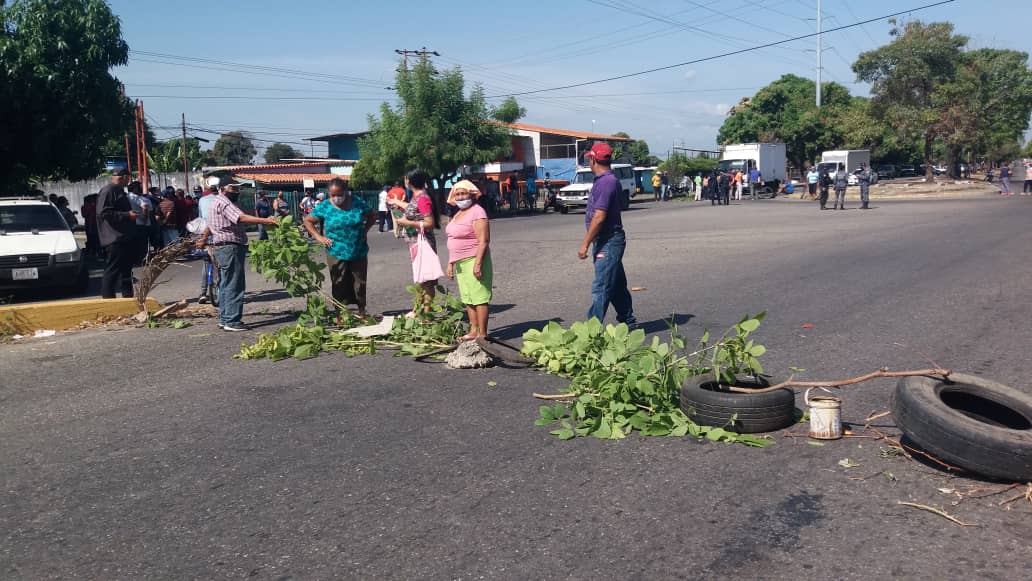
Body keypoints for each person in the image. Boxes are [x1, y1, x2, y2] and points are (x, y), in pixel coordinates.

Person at [195, 180, 278, 331]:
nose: (237, 191)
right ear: (223, 189)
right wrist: (266, 221)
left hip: (223, 247)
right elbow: (241, 218)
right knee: (234, 284)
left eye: (238, 189)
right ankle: (232, 321)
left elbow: (209, 225)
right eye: (233, 188)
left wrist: (204, 238)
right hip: (230, 247)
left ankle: (225, 318)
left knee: (225, 284)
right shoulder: (224, 203)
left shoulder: (218, 202)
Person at [577, 142, 636, 327]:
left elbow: (600, 216)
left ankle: (590, 331)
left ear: (593, 160)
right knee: (616, 284)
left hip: (609, 240)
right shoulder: (607, 180)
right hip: (608, 239)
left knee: (601, 286)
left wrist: (585, 243)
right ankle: (628, 321)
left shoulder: (606, 182)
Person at [303, 178, 376, 317]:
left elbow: (372, 215)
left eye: (339, 194)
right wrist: (320, 238)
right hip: (335, 250)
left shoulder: (357, 202)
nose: (336, 198)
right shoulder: (325, 206)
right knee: (338, 282)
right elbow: (308, 221)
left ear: (346, 191)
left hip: (358, 249)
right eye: (333, 195)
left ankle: (362, 311)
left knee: (359, 282)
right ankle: (340, 314)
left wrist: (365, 230)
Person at [389, 168, 441, 316]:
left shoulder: (423, 198)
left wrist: (406, 222)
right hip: (415, 242)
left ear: (409, 181)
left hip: (423, 242)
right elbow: (413, 209)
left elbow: (429, 223)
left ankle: (426, 313)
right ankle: (418, 310)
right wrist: (397, 202)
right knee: (420, 277)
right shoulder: (417, 197)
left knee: (426, 280)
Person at [445, 180, 493, 340]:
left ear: (471, 194)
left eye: (463, 193)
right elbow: (452, 238)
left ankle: (482, 333)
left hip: (474, 259)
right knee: (468, 297)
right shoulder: (457, 213)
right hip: (460, 262)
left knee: (479, 297)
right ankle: (473, 330)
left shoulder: (477, 212)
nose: (460, 197)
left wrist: (478, 264)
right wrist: (450, 263)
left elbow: (483, 240)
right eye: (457, 194)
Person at [96, 169, 138, 299]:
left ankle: (128, 299)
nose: (129, 181)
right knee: (112, 271)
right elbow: (103, 213)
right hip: (114, 238)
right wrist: (127, 215)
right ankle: (108, 301)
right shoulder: (109, 191)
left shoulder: (119, 191)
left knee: (126, 272)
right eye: (129, 178)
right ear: (125, 177)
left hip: (124, 237)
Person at [126, 181, 152, 265]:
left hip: (131, 223)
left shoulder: (126, 197)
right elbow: (145, 207)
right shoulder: (136, 197)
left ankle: (135, 260)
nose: (141, 189)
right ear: (135, 189)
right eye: (139, 187)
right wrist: (144, 219)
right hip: (141, 224)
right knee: (143, 244)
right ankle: (143, 260)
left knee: (134, 244)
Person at [81, 194, 100, 258]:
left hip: (93, 225)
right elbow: (84, 215)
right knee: (93, 239)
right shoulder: (90, 206)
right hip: (91, 225)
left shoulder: (95, 206)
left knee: (94, 239)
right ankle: (93, 252)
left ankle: (94, 252)